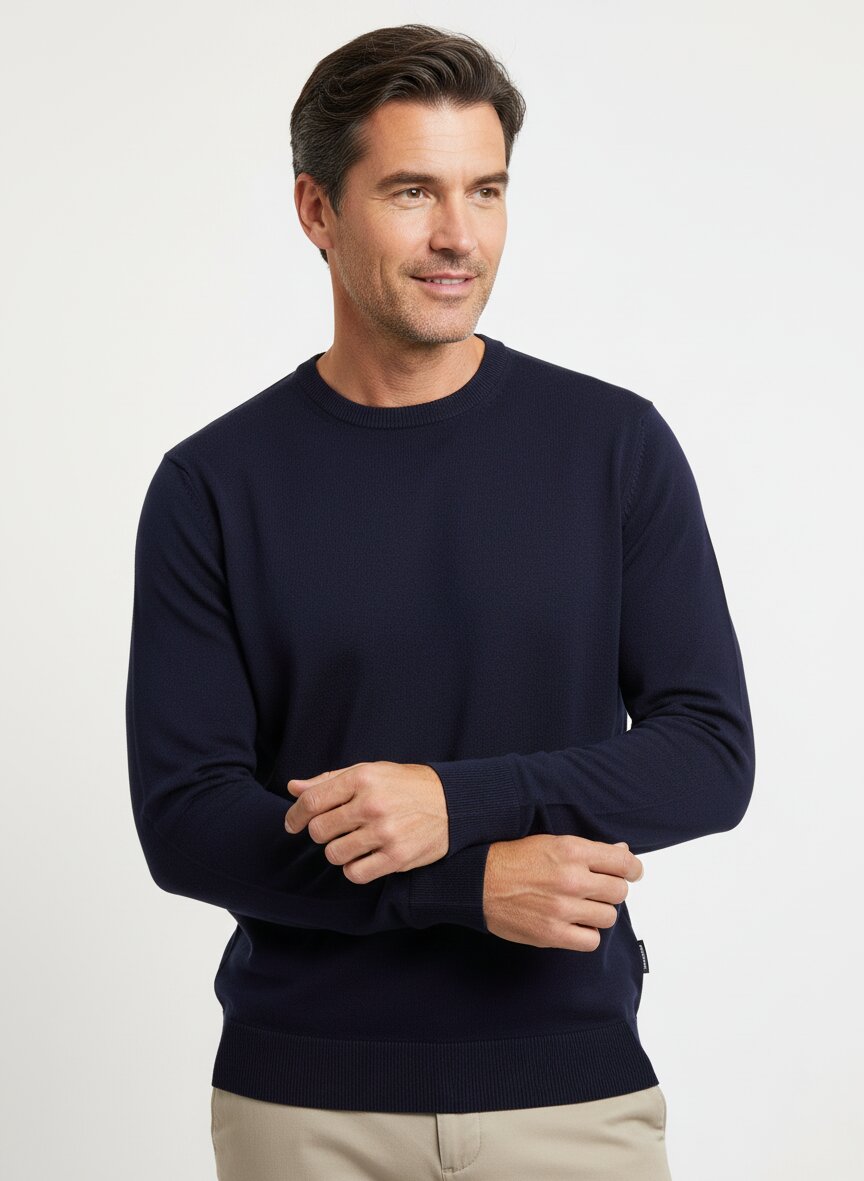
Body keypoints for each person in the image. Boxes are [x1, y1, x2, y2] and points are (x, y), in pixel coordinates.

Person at [125, 22, 755, 1181]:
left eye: (487, 190)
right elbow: (187, 818)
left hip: (572, 1097)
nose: (459, 235)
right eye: (412, 191)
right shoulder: (213, 484)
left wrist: (460, 802)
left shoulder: (612, 446)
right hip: (303, 1108)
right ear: (317, 210)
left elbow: (710, 753)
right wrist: (465, 882)